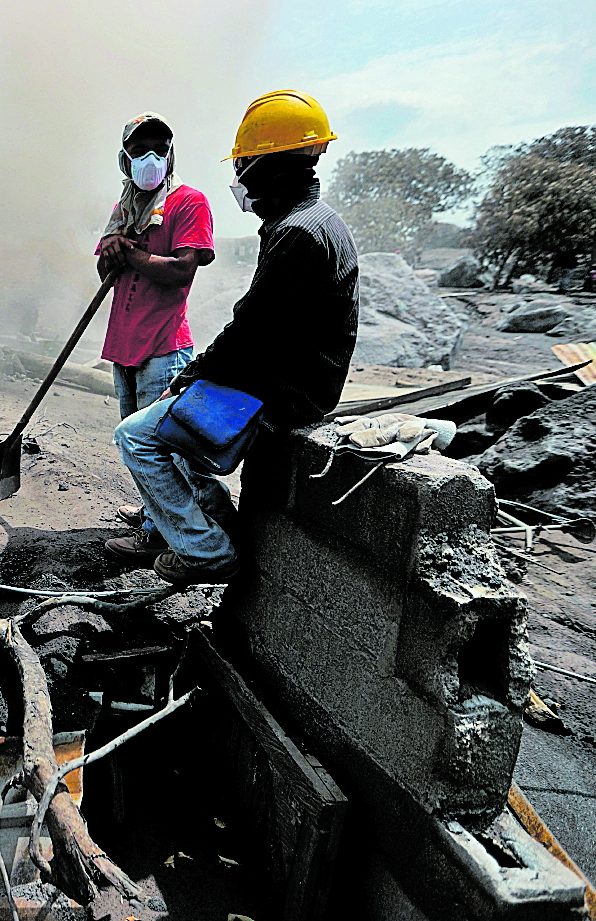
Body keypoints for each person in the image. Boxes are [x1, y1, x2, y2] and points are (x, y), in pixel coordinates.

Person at [112, 90, 359, 585]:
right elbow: (261, 327)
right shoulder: (312, 223)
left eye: (245, 167)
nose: (241, 180)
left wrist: (187, 378)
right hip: (284, 380)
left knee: (136, 437)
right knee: (171, 438)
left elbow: (252, 331)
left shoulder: (299, 235)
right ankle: (215, 524)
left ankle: (203, 551)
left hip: (280, 392)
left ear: (272, 168)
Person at [93, 112, 218, 564]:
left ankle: (160, 534)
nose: (151, 157)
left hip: (163, 346)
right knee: (137, 445)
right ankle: (153, 512)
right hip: (124, 346)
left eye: (160, 149)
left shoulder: (188, 202)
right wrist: (111, 251)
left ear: (171, 154)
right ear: (125, 160)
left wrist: (132, 252)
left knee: (161, 447)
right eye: (140, 149)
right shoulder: (124, 208)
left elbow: (184, 268)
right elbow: (105, 271)